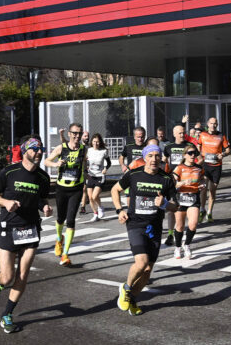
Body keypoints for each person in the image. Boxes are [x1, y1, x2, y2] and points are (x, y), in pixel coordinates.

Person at [0, 135, 52, 334]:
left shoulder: (43, 178)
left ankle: (7, 314)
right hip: (9, 227)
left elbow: (40, 199)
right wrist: (6, 203)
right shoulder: (9, 172)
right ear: (24, 150)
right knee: (8, 277)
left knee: (23, 275)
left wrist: (45, 207)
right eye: (34, 148)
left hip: (31, 229)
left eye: (41, 148)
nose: (39, 152)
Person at [111, 143, 177, 315]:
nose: (154, 159)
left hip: (154, 227)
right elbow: (115, 189)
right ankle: (125, 288)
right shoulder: (133, 174)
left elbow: (175, 206)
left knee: (147, 271)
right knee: (141, 262)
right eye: (150, 156)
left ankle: (131, 299)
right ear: (144, 158)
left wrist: (164, 204)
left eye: (157, 156)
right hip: (135, 224)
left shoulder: (167, 179)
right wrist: (119, 210)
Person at [44, 122, 88, 266]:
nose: (77, 136)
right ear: (69, 134)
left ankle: (65, 254)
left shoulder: (83, 149)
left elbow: (84, 168)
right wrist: (56, 164)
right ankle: (58, 239)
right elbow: (46, 161)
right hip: (61, 188)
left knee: (71, 221)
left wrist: (85, 183)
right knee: (60, 218)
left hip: (76, 189)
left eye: (79, 133)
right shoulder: (61, 148)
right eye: (74, 133)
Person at [171, 144, 204, 259]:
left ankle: (187, 245)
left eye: (194, 153)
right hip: (180, 199)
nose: (193, 155)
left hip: (193, 198)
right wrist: (183, 183)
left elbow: (202, 180)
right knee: (179, 226)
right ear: (185, 155)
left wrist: (202, 185)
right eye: (190, 153)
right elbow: (173, 184)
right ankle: (178, 247)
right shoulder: (179, 168)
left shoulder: (199, 168)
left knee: (193, 224)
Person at [197, 117, 231, 222]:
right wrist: (199, 157)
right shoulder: (202, 135)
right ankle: (202, 209)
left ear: (217, 124)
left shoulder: (221, 136)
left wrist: (223, 154)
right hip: (205, 165)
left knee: (212, 191)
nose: (213, 125)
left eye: (215, 123)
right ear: (208, 124)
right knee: (203, 188)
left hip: (216, 166)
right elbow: (198, 146)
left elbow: (228, 149)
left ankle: (210, 212)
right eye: (211, 123)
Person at [85, 133, 111, 222]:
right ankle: (95, 214)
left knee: (95, 195)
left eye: (97, 142)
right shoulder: (89, 151)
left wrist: (105, 169)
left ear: (100, 142)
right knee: (90, 197)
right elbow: (85, 161)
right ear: (91, 142)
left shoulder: (104, 151)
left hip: (100, 176)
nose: (96, 143)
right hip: (91, 175)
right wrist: (86, 169)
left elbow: (109, 162)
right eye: (94, 141)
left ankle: (100, 207)